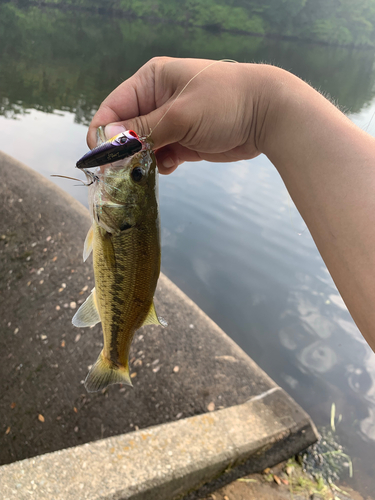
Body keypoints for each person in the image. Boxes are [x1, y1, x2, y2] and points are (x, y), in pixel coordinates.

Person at [88, 57, 375, 354]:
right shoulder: (117, 222)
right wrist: (258, 108)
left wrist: (261, 108)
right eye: (138, 175)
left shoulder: (117, 222)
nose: (136, 171)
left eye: (136, 175)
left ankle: (113, 357)